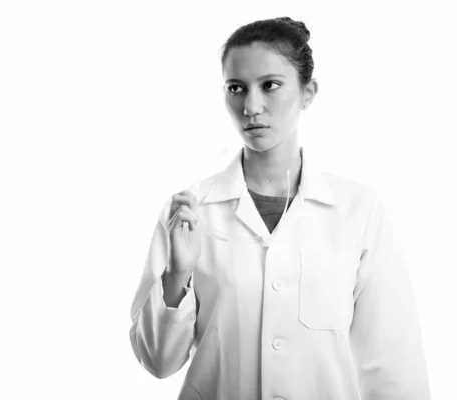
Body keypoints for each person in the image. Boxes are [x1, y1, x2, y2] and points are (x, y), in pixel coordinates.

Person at [129, 17, 430, 400]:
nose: (251, 106)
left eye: (270, 85)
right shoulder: (190, 212)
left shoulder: (359, 209)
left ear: (307, 92)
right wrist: (177, 273)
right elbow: (157, 362)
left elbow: (392, 361)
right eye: (236, 88)